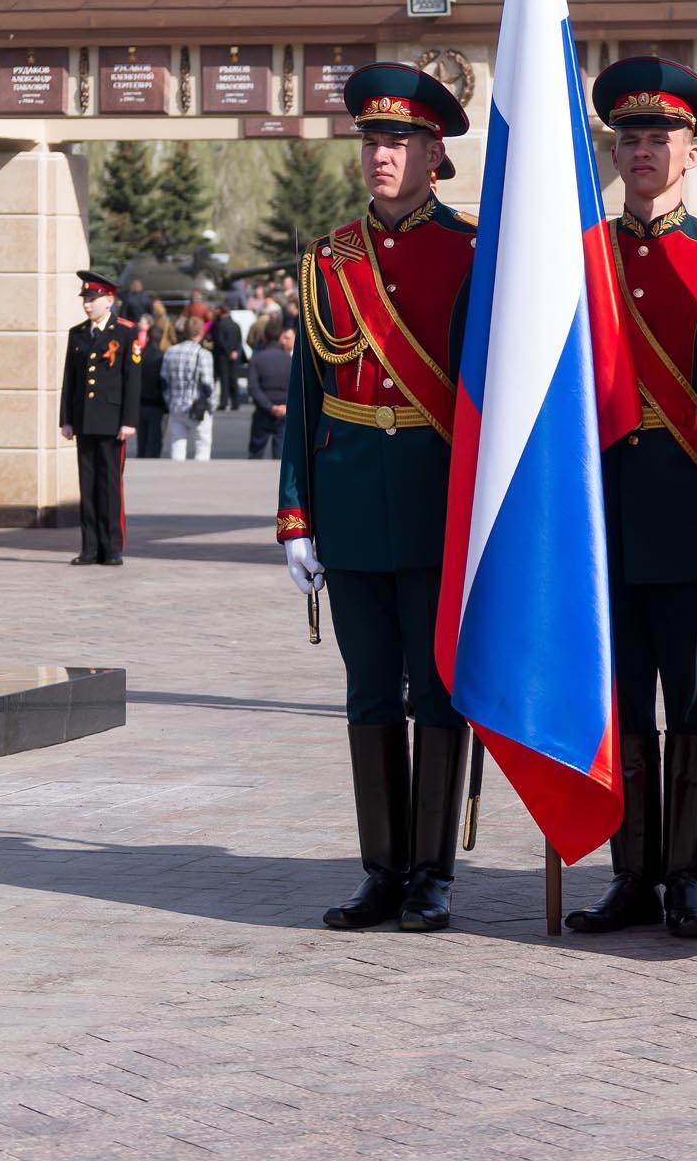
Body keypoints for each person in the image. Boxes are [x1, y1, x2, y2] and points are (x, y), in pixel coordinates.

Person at [278, 63, 476, 933]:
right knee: (368, 695)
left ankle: (432, 873)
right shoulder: (329, 258)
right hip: (353, 500)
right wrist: (296, 513)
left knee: (435, 694)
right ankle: (382, 869)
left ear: (436, 154)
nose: (381, 156)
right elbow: (308, 397)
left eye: (399, 141)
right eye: (371, 140)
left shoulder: (474, 251)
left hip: (439, 504)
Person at [566, 55, 697, 943]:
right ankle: (630, 872)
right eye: (628, 138)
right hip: (604, 518)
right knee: (625, 706)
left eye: (659, 138)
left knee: (696, 706)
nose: (642, 151)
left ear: (691, 154)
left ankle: (688, 876)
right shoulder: (579, 259)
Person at [60, 269, 144, 565]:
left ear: (109, 300)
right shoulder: (78, 333)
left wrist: (129, 420)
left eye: (93, 299)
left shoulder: (125, 332)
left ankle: (112, 547)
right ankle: (89, 548)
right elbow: (70, 380)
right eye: (85, 299)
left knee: (110, 486)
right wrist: (66, 419)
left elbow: (132, 380)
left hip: (112, 421)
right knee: (88, 485)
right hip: (84, 420)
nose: (87, 304)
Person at [161, 307, 217, 461]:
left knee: (177, 444)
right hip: (197, 408)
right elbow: (207, 384)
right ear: (201, 333)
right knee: (202, 445)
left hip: (176, 406)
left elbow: (164, 382)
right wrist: (212, 406)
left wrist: (169, 401)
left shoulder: (170, 352)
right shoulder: (204, 354)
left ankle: (176, 478)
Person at [247, 319, 293, 460]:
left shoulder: (257, 359)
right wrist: (285, 406)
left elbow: (253, 388)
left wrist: (269, 406)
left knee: (256, 453)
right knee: (280, 455)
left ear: (264, 337)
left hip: (263, 411)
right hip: (284, 411)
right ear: (281, 337)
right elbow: (296, 387)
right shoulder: (289, 360)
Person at [134, 305, 172, 457]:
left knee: (142, 441)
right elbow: (164, 382)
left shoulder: (140, 355)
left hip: (141, 402)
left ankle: (142, 457)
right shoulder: (161, 356)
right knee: (154, 440)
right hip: (156, 404)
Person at [209, 304, 247, 410]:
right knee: (233, 378)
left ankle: (224, 402)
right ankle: (236, 402)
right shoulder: (236, 325)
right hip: (234, 355)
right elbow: (240, 340)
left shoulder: (218, 325)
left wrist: (228, 351)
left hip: (222, 355)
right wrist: (235, 351)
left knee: (224, 380)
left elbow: (219, 340)